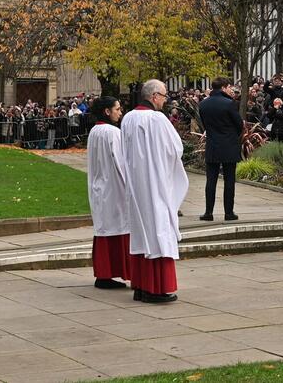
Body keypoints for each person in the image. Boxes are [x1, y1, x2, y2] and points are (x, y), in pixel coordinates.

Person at [122, 80, 189, 303]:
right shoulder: (156, 119)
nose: (166, 99)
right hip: (154, 183)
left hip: (136, 184)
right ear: (154, 96)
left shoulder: (129, 117)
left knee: (142, 233)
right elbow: (174, 148)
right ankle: (156, 288)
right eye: (164, 95)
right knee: (158, 231)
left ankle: (141, 286)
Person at [87, 96, 130, 290]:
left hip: (99, 186)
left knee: (105, 228)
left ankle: (104, 273)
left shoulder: (94, 131)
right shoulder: (113, 132)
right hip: (114, 188)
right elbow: (121, 163)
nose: (120, 113)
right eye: (117, 109)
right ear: (107, 111)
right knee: (116, 229)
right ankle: (110, 272)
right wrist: (130, 185)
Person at [198, 77, 243, 222]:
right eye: (229, 87)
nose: (231, 90)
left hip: (212, 144)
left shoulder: (203, 104)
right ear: (223, 88)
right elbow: (239, 125)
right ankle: (228, 212)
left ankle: (208, 212)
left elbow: (204, 124)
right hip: (229, 144)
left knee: (211, 180)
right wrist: (232, 135)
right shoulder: (229, 103)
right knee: (229, 180)